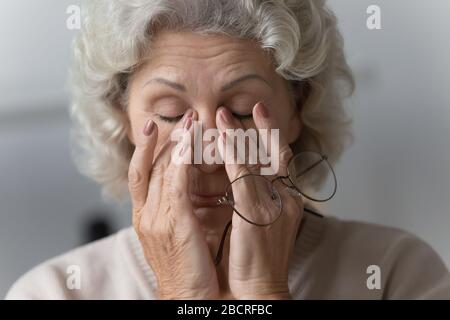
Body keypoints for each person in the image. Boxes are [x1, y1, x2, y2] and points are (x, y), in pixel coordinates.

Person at [6, 0, 450, 299]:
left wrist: (263, 290)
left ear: (299, 110)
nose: (206, 151)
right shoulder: (53, 292)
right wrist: (185, 295)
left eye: (239, 112)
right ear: (122, 119)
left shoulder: (397, 274)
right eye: (169, 114)